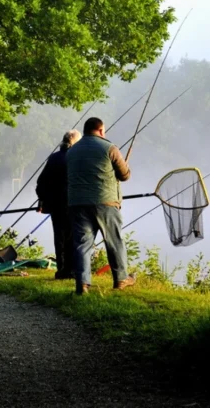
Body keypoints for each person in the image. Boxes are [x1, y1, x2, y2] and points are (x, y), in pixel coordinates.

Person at [66, 117, 135, 294]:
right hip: (106, 202)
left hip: (77, 203)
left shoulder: (71, 151)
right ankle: (121, 279)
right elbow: (125, 175)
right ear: (101, 130)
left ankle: (82, 284)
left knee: (82, 244)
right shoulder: (110, 148)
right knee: (114, 241)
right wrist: (126, 167)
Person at [36, 129, 82, 279]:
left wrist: (42, 200)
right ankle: (71, 270)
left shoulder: (54, 158)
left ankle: (62, 269)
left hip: (55, 206)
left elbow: (41, 182)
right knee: (72, 238)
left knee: (59, 238)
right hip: (72, 204)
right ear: (75, 143)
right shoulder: (75, 158)